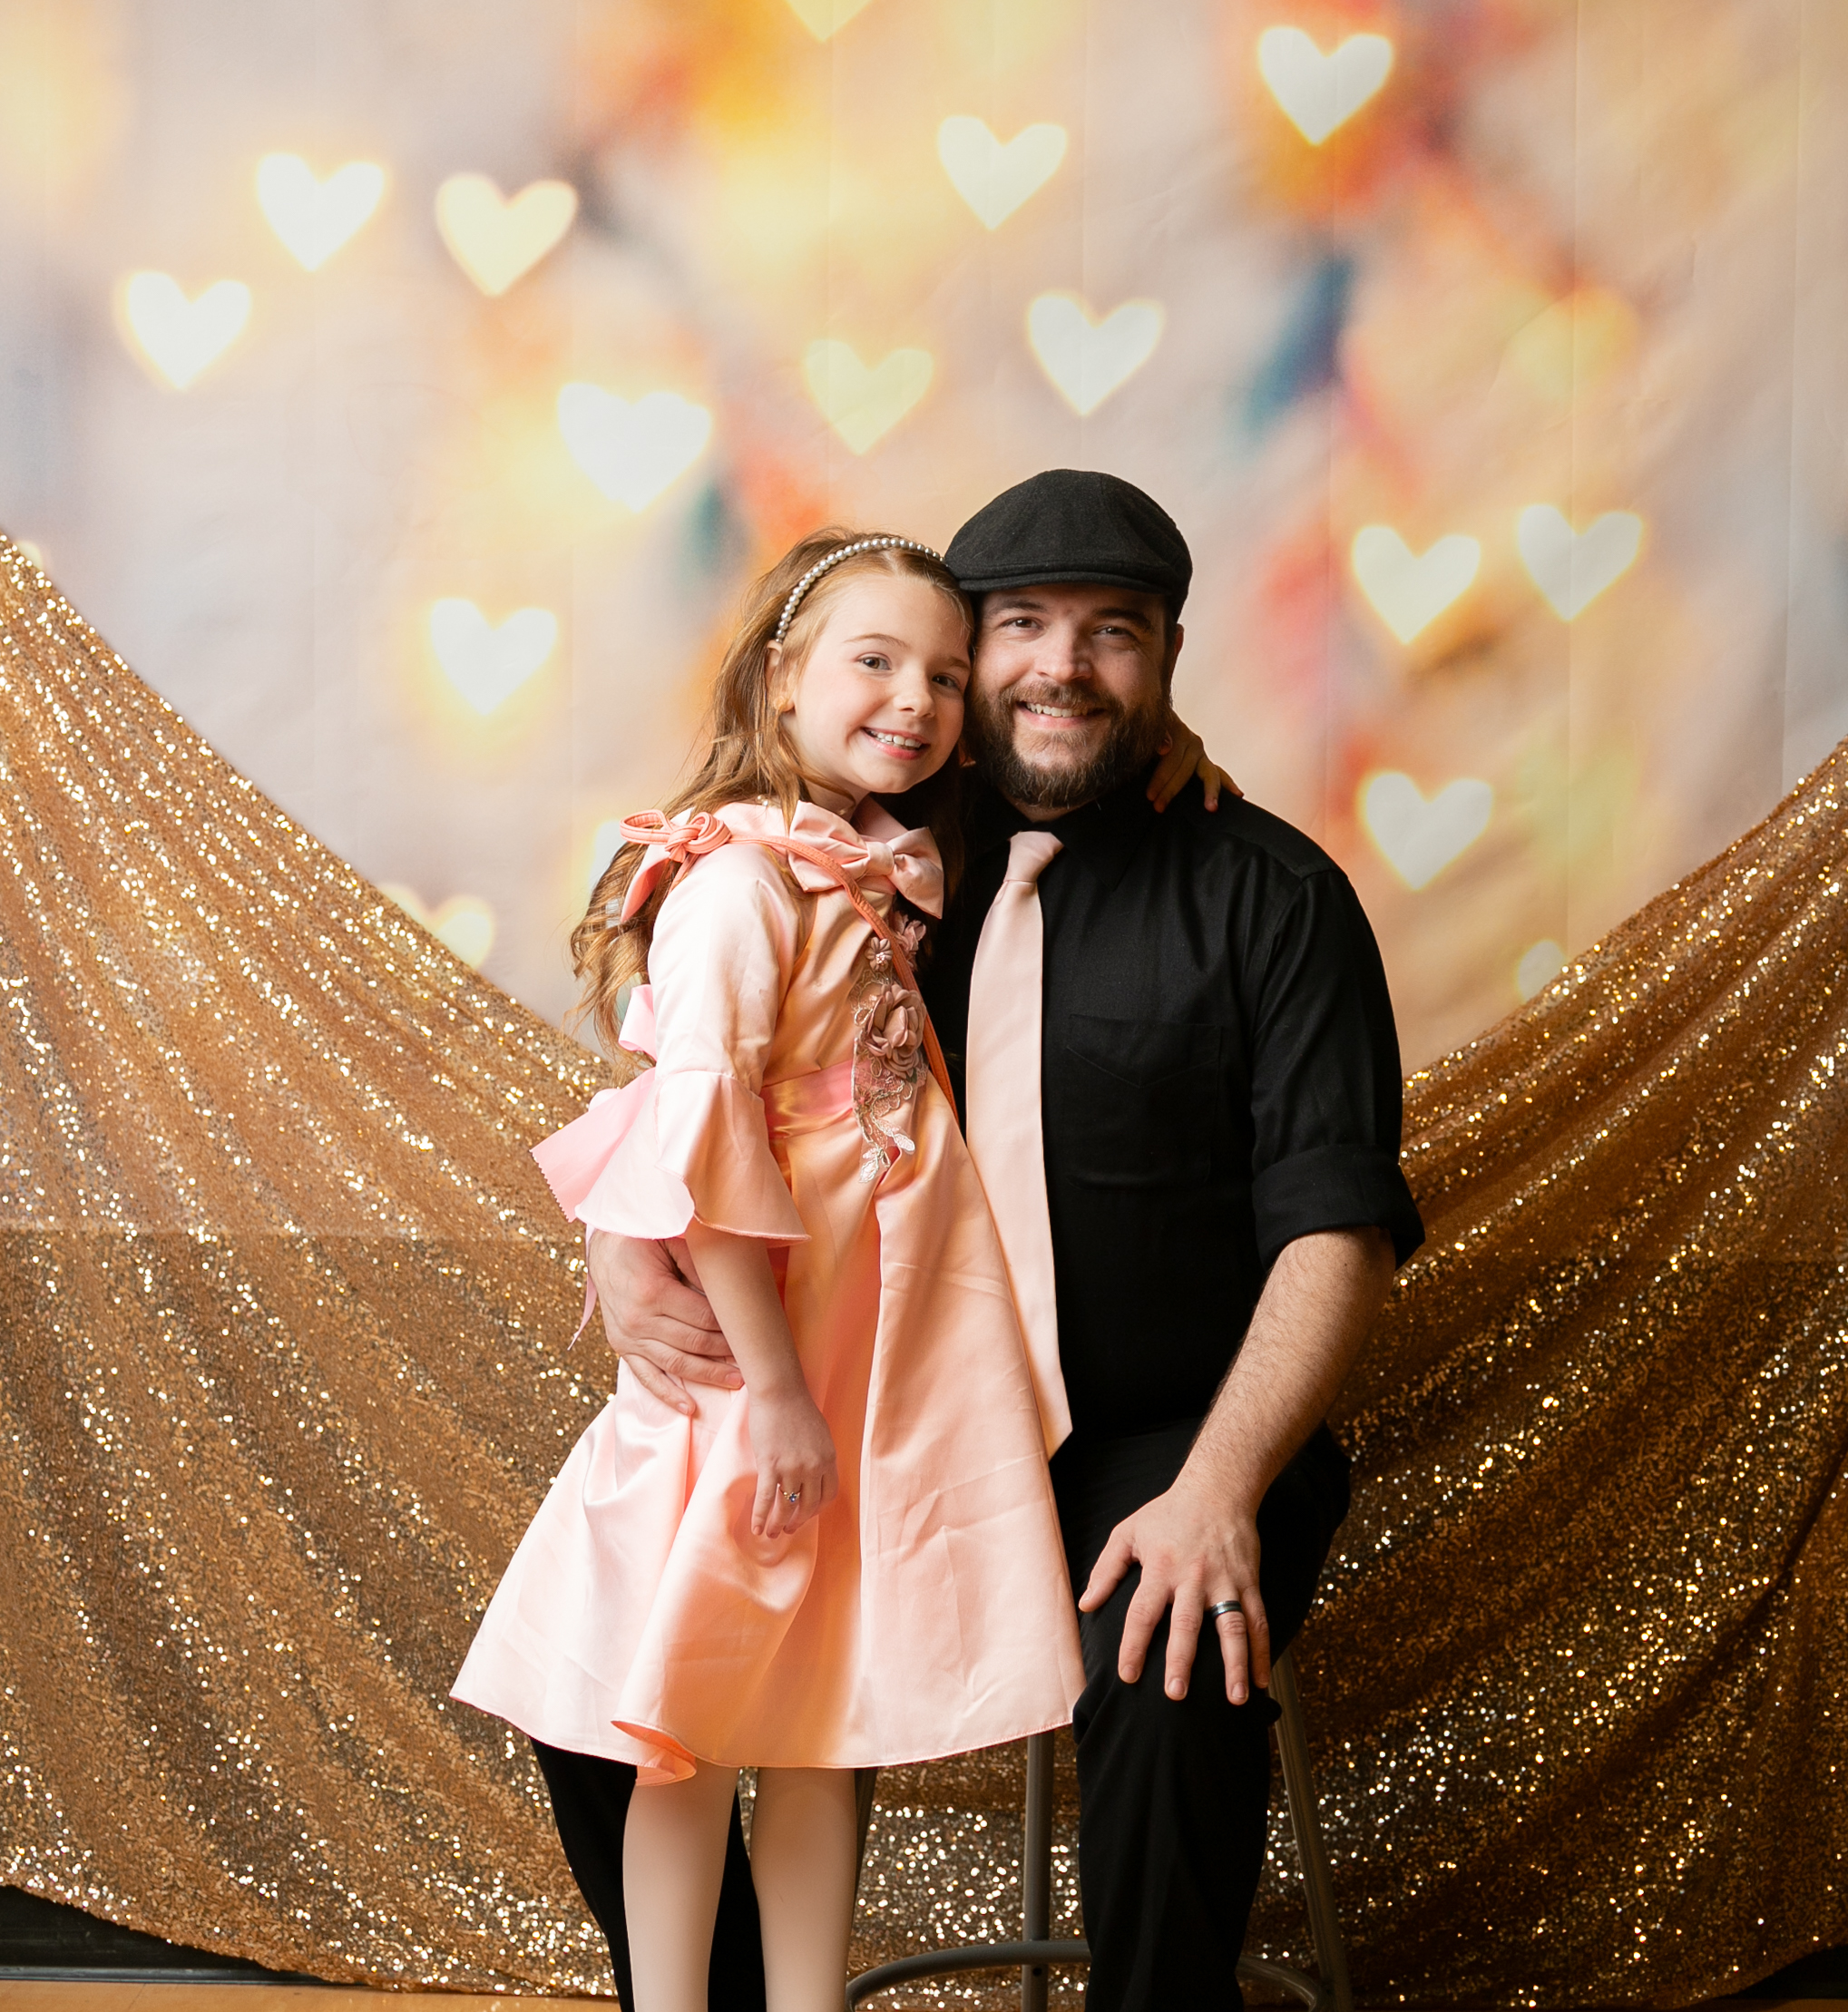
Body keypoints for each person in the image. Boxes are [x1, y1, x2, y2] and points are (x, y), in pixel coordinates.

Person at [598, 472, 1426, 2012]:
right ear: (960, 660)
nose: (1062, 665)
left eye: (1113, 632)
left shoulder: (1276, 897)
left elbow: (1338, 1231)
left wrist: (1216, 1489)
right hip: (888, 1407)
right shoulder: (877, 861)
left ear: (1167, 657)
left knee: (1167, 1654)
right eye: (1021, 626)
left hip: (1168, 1431)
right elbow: (697, 1063)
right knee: (611, 1666)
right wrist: (618, 1248)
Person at [451, 530, 1088, 2012]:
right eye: (874, 661)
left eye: (944, 674)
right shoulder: (741, 884)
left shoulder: (874, 876)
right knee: (689, 1721)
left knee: (819, 1722)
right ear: (782, 678)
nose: (916, 699)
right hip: (771, 1364)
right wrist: (778, 1388)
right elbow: (707, 1138)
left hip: (869, 1364)